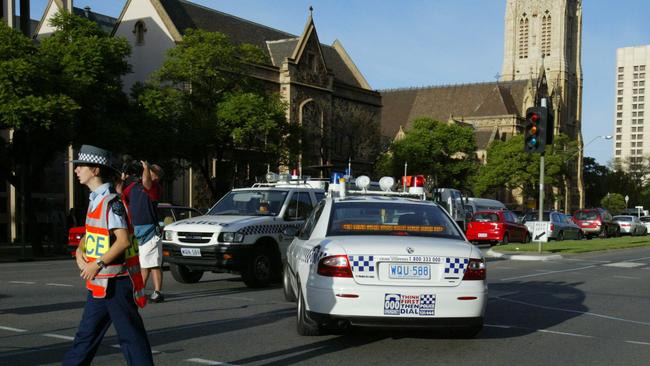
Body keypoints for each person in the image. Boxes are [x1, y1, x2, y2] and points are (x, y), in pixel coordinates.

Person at [63, 145, 153, 366]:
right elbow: (93, 234)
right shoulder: (96, 199)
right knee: (85, 338)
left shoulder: (112, 202)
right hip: (101, 284)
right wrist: (79, 251)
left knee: (131, 338)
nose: (76, 170)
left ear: (95, 170)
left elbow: (122, 240)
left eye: (80, 166)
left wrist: (98, 264)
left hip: (116, 283)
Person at [122, 160, 165, 303]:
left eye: (150, 171)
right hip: (136, 230)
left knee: (152, 264)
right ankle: (140, 290)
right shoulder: (134, 186)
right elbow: (121, 194)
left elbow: (147, 181)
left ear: (156, 177)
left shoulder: (155, 187)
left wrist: (146, 166)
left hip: (150, 230)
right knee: (142, 263)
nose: (145, 172)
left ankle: (156, 292)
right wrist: (122, 178)